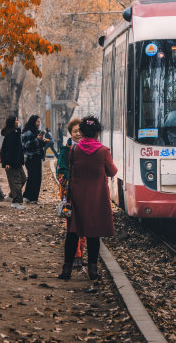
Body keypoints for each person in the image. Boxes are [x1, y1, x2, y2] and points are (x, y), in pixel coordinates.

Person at [58, 116, 118, 281]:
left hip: (77, 197)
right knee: (93, 235)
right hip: (97, 198)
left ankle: (66, 270)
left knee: (72, 233)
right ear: (97, 134)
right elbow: (112, 172)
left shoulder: (73, 150)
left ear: (83, 133)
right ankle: (92, 271)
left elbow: (69, 168)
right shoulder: (103, 151)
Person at [57, 118, 85, 269]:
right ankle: (76, 256)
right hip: (71, 193)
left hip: (86, 193)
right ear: (70, 133)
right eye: (75, 131)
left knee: (84, 224)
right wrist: (71, 183)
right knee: (73, 224)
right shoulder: (65, 149)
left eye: (80, 131)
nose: (78, 134)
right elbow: (61, 170)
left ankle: (81, 252)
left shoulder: (89, 149)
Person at [0, 116, 26, 209]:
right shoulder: (10, 134)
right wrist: (7, 162)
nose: (17, 122)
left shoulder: (15, 133)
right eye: (15, 120)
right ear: (12, 122)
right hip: (11, 163)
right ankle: (17, 202)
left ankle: (11, 195)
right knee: (17, 182)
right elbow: (7, 150)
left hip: (17, 161)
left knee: (23, 179)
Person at [22, 115, 46, 204]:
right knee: (32, 177)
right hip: (30, 158)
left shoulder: (37, 132)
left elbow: (38, 146)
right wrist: (37, 140)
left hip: (37, 157)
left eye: (39, 122)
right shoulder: (27, 132)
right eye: (37, 121)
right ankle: (27, 196)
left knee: (38, 178)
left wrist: (43, 141)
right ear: (33, 122)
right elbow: (25, 145)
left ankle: (34, 198)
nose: (39, 123)